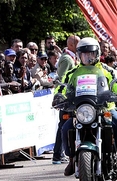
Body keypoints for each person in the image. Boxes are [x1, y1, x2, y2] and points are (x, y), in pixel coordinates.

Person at [54, 37, 117, 175]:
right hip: (81, 110)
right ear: (79, 55)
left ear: (97, 53)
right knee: (65, 128)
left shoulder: (107, 69)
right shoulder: (72, 73)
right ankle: (71, 159)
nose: (88, 57)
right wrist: (58, 96)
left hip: (104, 108)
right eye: (84, 54)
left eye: (91, 54)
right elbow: (62, 86)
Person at [51, 35, 80, 165]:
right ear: (72, 45)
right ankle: (58, 154)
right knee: (63, 126)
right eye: (78, 44)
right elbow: (61, 79)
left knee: (65, 125)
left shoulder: (72, 57)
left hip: (71, 97)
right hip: (66, 98)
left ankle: (61, 153)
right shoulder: (67, 59)